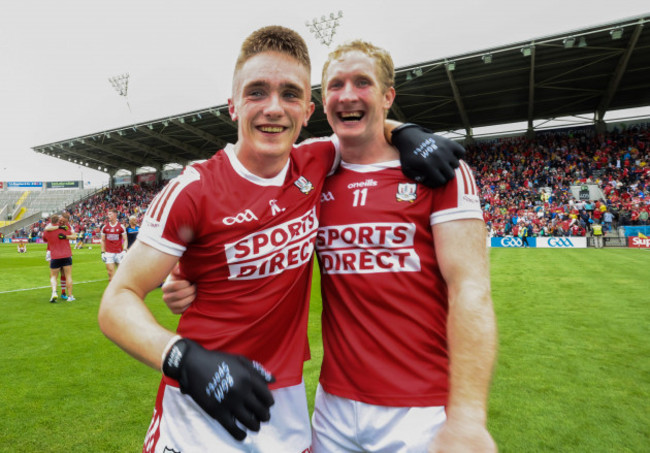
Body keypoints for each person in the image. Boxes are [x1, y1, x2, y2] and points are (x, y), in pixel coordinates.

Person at [99, 26, 463, 453]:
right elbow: (117, 300)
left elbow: (364, 124)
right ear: (232, 105)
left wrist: (406, 132)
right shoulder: (193, 189)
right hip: (199, 402)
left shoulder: (317, 161)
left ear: (307, 111)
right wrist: (184, 358)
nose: (274, 108)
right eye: (257, 92)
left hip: (283, 406)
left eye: (289, 94)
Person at [43, 214, 77, 302]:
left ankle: (58, 292)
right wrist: (61, 229)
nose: (61, 222)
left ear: (67, 221)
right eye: (60, 220)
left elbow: (45, 237)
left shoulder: (66, 227)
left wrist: (65, 236)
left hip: (54, 254)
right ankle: (68, 295)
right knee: (66, 275)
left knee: (55, 275)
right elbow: (74, 236)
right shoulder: (64, 228)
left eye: (63, 221)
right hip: (62, 253)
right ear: (58, 220)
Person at [100, 208, 127, 281]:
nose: (108, 216)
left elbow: (125, 239)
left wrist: (124, 250)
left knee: (122, 273)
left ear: (115, 215)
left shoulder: (121, 227)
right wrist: (102, 252)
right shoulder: (104, 227)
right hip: (109, 253)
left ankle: (121, 290)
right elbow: (102, 240)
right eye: (108, 214)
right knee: (110, 273)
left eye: (110, 214)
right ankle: (112, 291)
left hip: (119, 253)